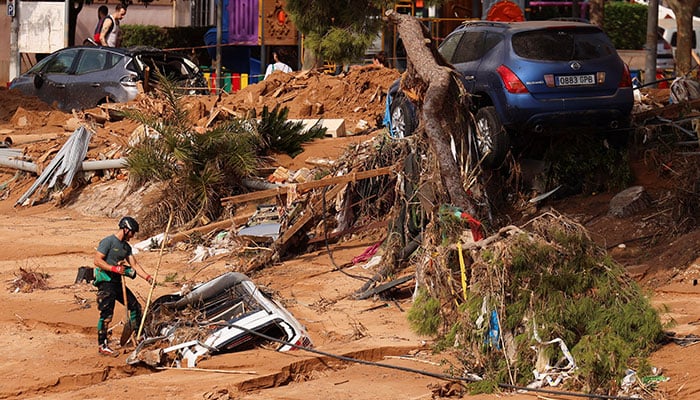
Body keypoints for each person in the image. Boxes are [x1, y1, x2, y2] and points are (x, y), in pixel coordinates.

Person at [93, 216, 153, 355]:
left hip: (117, 282)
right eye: (132, 232)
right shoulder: (108, 242)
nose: (133, 236)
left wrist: (147, 277)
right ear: (126, 229)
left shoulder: (126, 247)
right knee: (106, 315)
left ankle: (140, 335)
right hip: (106, 281)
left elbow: (135, 265)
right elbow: (97, 260)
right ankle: (102, 345)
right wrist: (114, 269)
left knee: (135, 307)